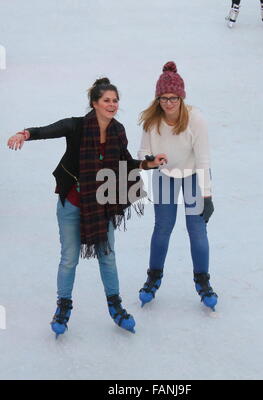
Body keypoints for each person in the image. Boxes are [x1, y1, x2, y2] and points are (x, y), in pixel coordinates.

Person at [7, 77, 165, 336]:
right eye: (107, 100)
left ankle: (116, 307)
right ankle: (63, 308)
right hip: (72, 203)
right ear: (94, 103)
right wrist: (24, 134)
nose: (112, 105)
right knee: (69, 259)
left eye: (115, 100)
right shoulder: (76, 126)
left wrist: (148, 163)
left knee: (108, 256)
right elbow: (46, 130)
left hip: (101, 205)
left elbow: (124, 162)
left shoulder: (118, 130)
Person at [137, 61, 218, 311]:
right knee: (163, 227)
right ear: (157, 99)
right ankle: (153, 278)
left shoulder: (196, 119)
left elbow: (203, 158)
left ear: (182, 97)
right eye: (164, 98)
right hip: (165, 176)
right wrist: (150, 161)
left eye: (173, 98)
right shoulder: (152, 121)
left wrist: (207, 195)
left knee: (197, 229)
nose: (169, 103)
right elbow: (142, 153)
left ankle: (203, 282)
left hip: (194, 174)